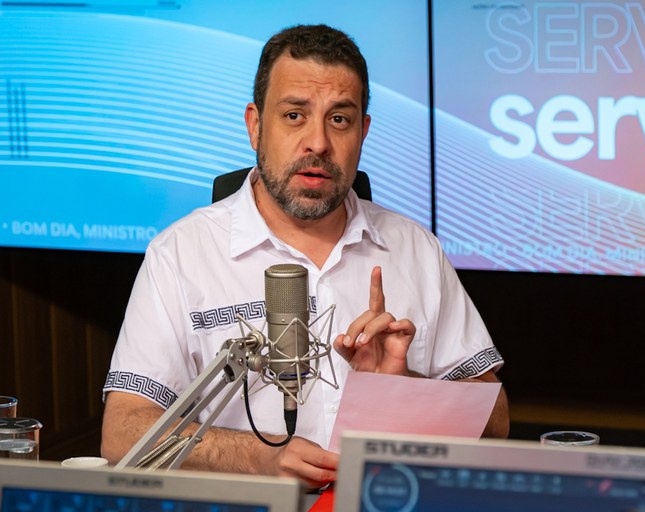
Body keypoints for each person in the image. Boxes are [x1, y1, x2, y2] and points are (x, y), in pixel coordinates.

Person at [101, 24, 508, 489]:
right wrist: (258, 459)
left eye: (339, 119)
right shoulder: (180, 253)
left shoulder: (415, 249)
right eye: (295, 115)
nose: (317, 142)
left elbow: (496, 420)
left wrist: (404, 386)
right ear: (255, 125)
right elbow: (123, 433)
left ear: (363, 132)